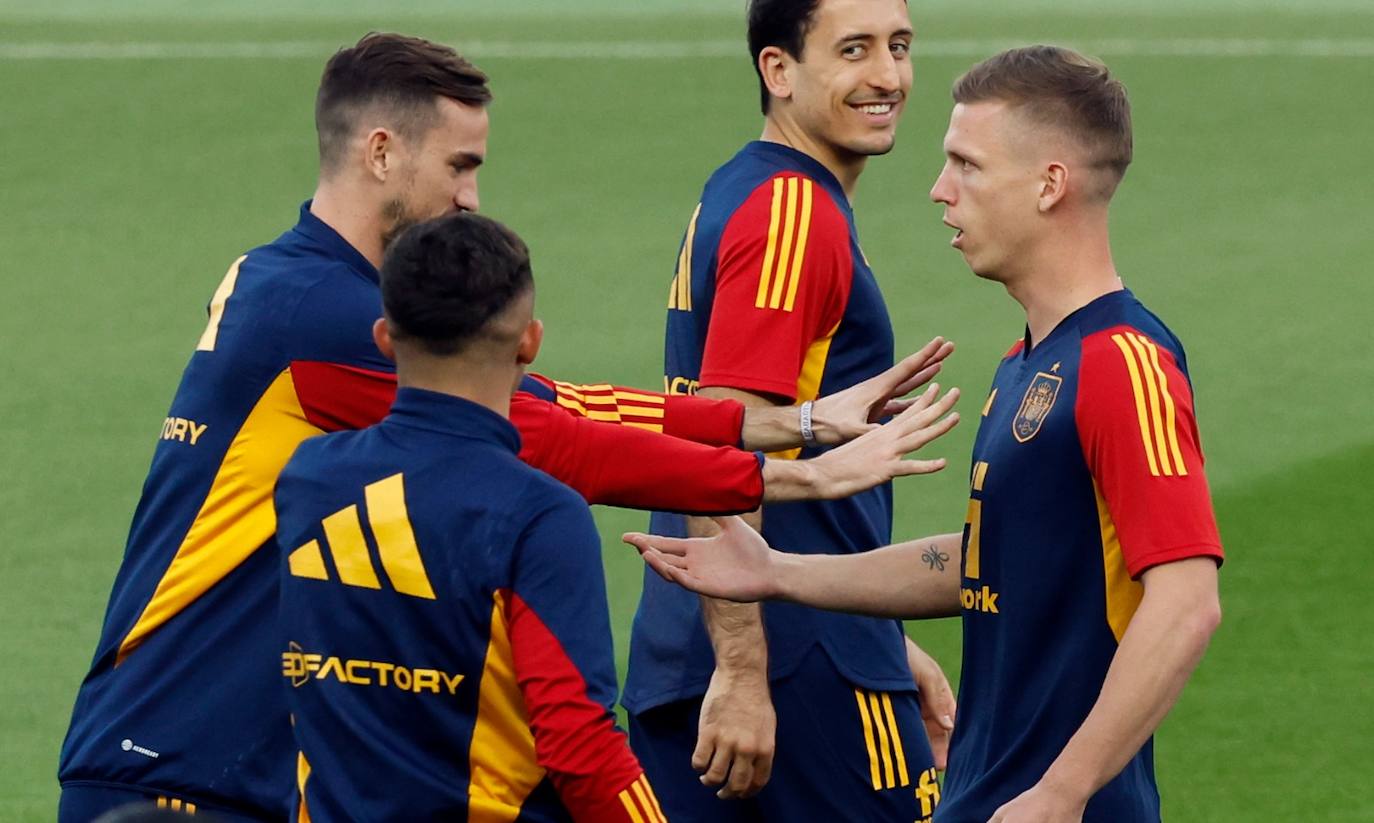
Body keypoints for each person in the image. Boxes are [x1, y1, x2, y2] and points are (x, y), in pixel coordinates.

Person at [57, 32, 955, 822]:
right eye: (459, 165)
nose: (473, 196)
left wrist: (773, 421)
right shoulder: (324, 317)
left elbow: (547, 402)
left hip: (221, 752)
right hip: (179, 761)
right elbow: (549, 431)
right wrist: (785, 469)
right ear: (379, 151)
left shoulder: (287, 280)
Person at [626, 45, 1225, 823]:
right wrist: (777, 571)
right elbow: (977, 563)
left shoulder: (1122, 361)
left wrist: (1062, 791)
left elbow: (1185, 602)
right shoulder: (1026, 364)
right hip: (983, 794)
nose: (941, 191)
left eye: (967, 166)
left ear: (1050, 184)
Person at [625, 1, 958, 821]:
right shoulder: (792, 212)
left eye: (899, 47)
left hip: (721, 644)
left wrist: (884, 633)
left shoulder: (747, 190)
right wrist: (744, 671)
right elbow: (722, 448)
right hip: (790, 666)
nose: (887, 75)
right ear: (779, 71)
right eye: (854, 50)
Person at [276, 212, 667, 821]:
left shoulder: (308, 479)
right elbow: (579, 745)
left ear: (384, 337)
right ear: (530, 341)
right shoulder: (538, 514)